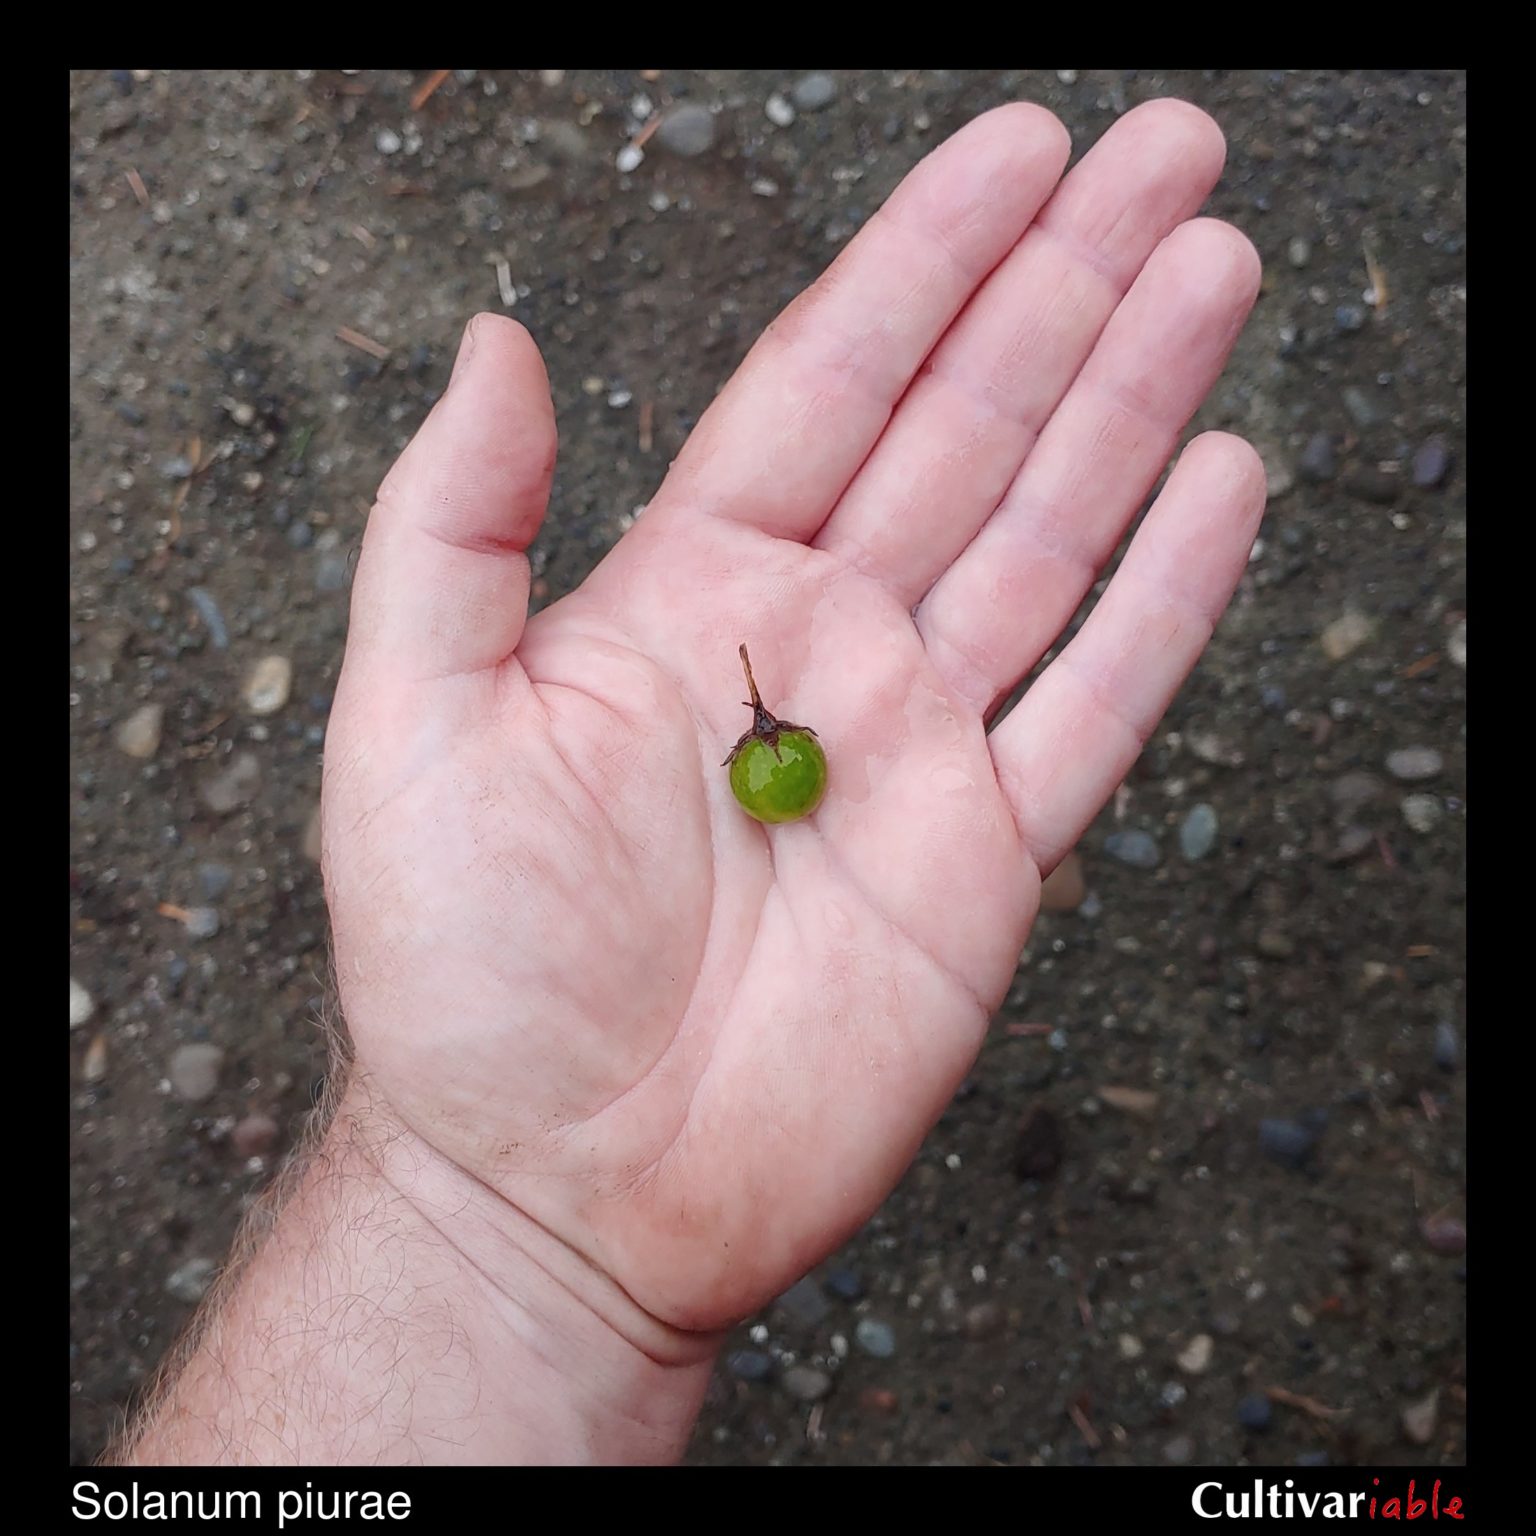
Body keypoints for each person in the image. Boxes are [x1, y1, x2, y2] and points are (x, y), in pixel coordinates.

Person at [109, 96, 1264, 1466]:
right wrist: (498, 1216)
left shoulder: (773, 760)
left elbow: (776, 764)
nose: (765, 736)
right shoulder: (772, 767)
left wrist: (499, 1236)